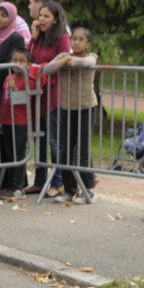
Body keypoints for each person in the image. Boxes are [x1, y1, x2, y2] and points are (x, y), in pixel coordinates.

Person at [44, 27, 98, 203]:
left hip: (85, 107)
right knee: (65, 149)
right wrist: (63, 61)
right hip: (66, 108)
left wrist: (69, 61)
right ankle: (69, 189)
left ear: (88, 43)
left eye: (81, 39)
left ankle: (88, 188)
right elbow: (47, 69)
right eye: (74, 38)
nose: (76, 42)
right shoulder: (63, 56)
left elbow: (85, 63)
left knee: (81, 150)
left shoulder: (93, 56)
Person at [27, 1, 71, 198]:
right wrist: (34, 38)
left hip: (54, 93)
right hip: (38, 94)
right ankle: (39, 180)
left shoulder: (61, 38)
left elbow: (64, 59)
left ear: (55, 19)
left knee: (54, 139)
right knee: (40, 138)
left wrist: (43, 67)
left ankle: (57, 181)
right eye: (40, 16)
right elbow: (27, 58)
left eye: (46, 16)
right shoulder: (39, 38)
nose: (41, 20)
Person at [0, 48, 32, 198]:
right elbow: (4, 101)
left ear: (28, 64)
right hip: (7, 121)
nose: (17, 64)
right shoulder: (8, 77)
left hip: (20, 122)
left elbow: (24, 101)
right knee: (10, 153)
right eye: (14, 60)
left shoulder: (27, 79)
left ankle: (17, 187)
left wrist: (15, 89)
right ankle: (19, 183)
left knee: (18, 154)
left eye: (21, 61)